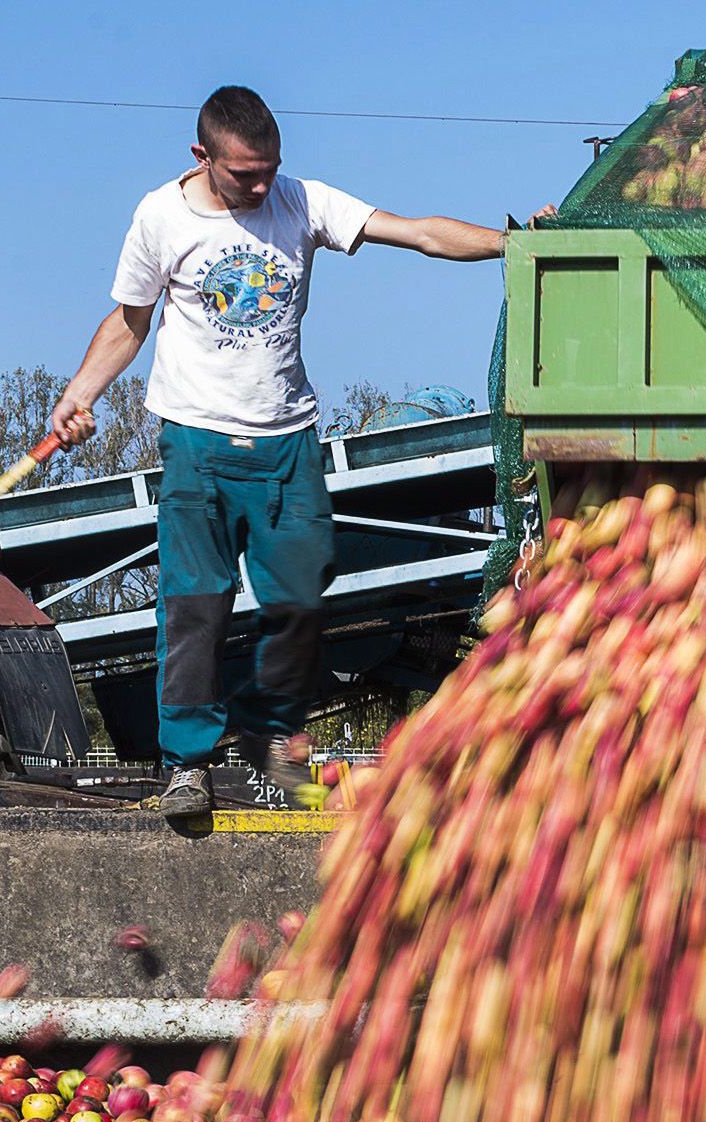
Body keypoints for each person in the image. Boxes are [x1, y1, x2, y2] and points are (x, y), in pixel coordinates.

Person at [48, 85, 508, 819]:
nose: (262, 187)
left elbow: (417, 231)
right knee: (195, 606)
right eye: (245, 175)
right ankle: (188, 763)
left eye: (270, 170)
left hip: (287, 442)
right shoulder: (160, 217)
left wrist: (510, 242)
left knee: (301, 593)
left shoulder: (302, 201)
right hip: (197, 441)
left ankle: (267, 727)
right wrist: (81, 393)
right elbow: (131, 321)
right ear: (201, 158)